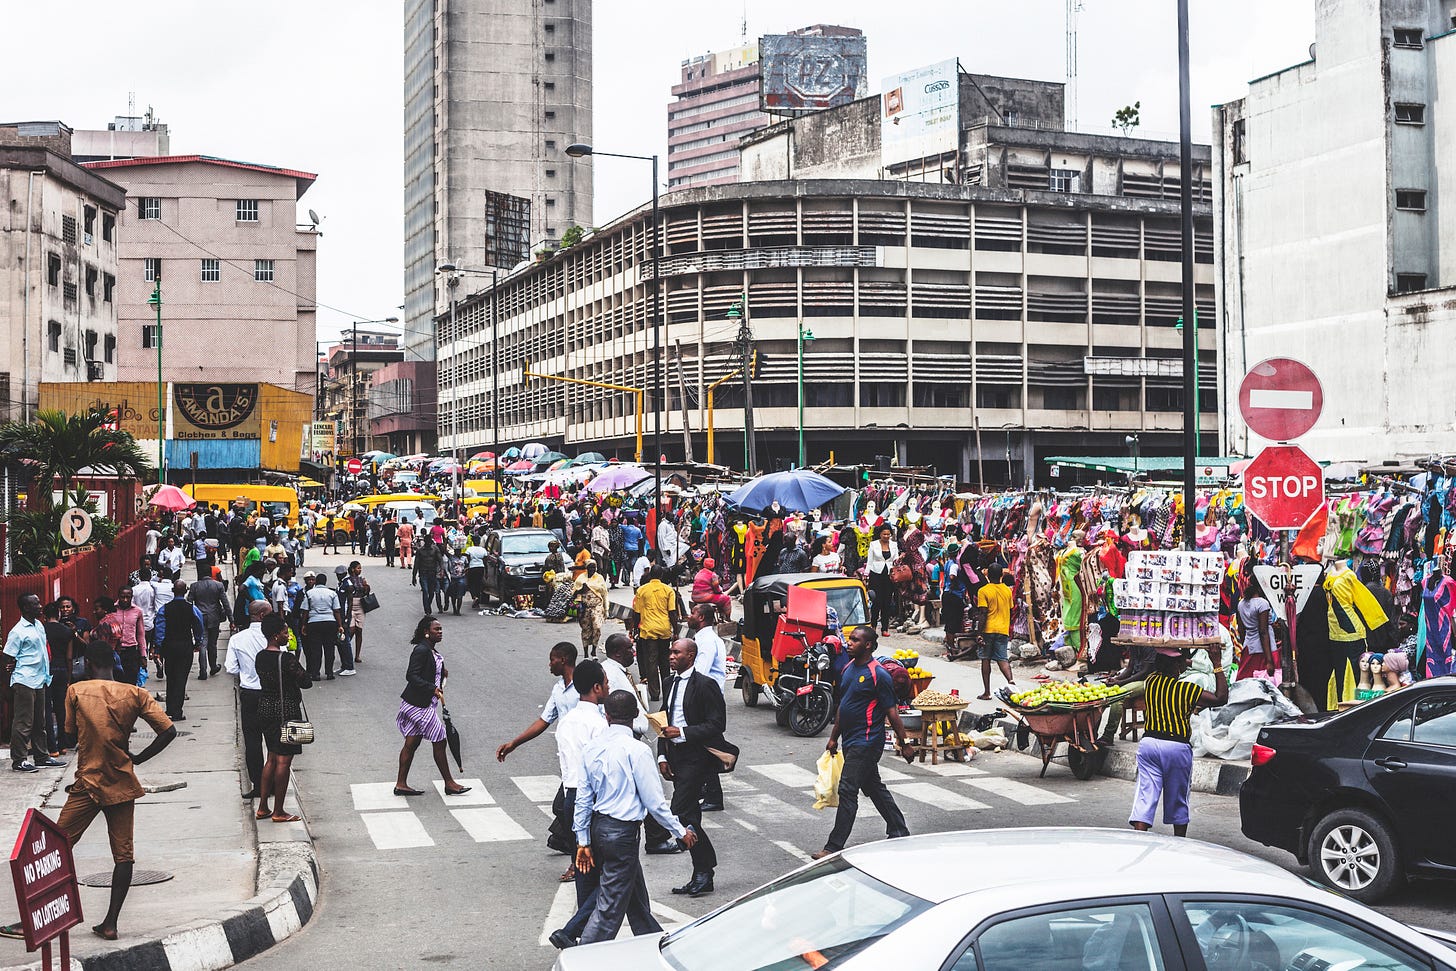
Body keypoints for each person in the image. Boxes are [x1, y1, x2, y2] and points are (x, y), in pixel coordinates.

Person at [0, 639, 175, 941]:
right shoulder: (135, 693)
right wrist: (138, 758)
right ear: (113, 661)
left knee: (53, 847)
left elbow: (68, 734)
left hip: (89, 783)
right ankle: (110, 923)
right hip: (121, 782)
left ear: (88, 663)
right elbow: (168, 731)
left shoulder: (76, 691)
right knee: (124, 856)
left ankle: (33, 920)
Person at [571, 690, 696, 946]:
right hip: (622, 834)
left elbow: (583, 798)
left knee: (635, 897)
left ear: (606, 715)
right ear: (636, 715)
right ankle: (584, 956)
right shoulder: (637, 751)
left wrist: (582, 840)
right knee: (609, 908)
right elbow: (654, 802)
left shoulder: (592, 749)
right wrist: (679, 830)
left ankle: (652, 942)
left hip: (598, 828)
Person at [814, 626, 913, 859]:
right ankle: (899, 828)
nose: (849, 643)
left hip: (868, 741)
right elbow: (843, 707)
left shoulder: (879, 674)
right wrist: (833, 737)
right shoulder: (848, 669)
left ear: (867, 645)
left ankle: (833, 846)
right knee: (872, 786)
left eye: (855, 640)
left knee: (848, 790)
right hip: (850, 739)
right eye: (850, 639)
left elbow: (892, 711)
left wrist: (905, 742)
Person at [657, 638, 732, 898]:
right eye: (670, 652)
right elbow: (662, 720)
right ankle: (701, 874)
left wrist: (684, 732)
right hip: (675, 756)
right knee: (690, 817)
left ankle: (705, 867)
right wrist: (662, 757)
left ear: (691, 655)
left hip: (697, 757)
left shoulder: (706, 685)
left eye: (676, 652)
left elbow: (717, 724)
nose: (671, 656)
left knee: (677, 813)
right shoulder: (669, 683)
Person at [1129, 645, 1228, 837]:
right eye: (1182, 661)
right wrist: (1217, 664)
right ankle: (1180, 842)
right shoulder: (1187, 690)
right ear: (1176, 666)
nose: (1186, 663)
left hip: (1149, 745)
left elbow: (1164, 667)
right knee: (1178, 799)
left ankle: (1138, 838)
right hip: (1176, 747)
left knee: (1145, 796)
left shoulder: (1151, 682)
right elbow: (1221, 698)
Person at [496, 643, 580, 854]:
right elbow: (544, 720)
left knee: (564, 807)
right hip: (568, 759)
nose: (549, 664)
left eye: (552, 659)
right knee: (567, 807)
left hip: (585, 758)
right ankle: (566, 841)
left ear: (564, 660)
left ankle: (577, 853)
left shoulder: (583, 686)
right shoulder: (559, 688)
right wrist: (514, 743)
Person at [550, 661, 610, 947]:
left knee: (584, 867)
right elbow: (598, 771)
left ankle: (585, 933)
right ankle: (572, 929)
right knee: (610, 876)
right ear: (597, 688)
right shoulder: (598, 724)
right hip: (590, 797)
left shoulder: (568, 721)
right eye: (606, 684)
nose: (608, 688)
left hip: (570, 796)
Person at [394, 616, 471, 797]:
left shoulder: (430, 650)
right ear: (426, 632)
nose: (440, 632)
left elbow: (429, 672)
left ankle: (401, 784)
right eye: (437, 629)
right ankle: (450, 783)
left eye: (441, 629)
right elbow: (411, 676)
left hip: (416, 704)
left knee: (411, 743)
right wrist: (432, 688)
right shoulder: (421, 650)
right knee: (440, 739)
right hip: (419, 706)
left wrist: (441, 674)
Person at [254, 614, 311, 824]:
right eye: (285, 632)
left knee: (271, 758)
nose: (288, 636)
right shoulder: (286, 658)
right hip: (286, 712)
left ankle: (263, 807)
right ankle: (278, 811)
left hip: (265, 709)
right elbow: (306, 681)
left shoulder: (260, 656)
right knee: (284, 762)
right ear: (276, 635)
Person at [5, 594, 63, 772]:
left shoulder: (39, 625)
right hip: (25, 681)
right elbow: (7, 657)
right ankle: (19, 760)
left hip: (40, 680)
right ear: (25, 608)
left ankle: (41, 756)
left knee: (40, 722)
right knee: (24, 723)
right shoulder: (18, 631)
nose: (40, 606)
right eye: (35, 604)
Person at [226, 600, 273, 799]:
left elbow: (231, 668)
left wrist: (247, 673)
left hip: (250, 694)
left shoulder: (238, 639)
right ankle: (273, 783)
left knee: (252, 741)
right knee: (273, 741)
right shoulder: (272, 637)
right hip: (271, 693)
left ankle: (258, 783)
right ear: (262, 615)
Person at [156, 580, 204, 721]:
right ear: (186, 591)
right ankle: (177, 711)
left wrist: (158, 647)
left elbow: (160, 630)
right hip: (185, 646)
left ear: (172, 590)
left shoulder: (164, 609)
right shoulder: (192, 609)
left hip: (169, 647)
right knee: (181, 678)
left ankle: (170, 708)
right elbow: (198, 625)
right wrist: (198, 641)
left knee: (170, 677)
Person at [630, 566, 680, 703]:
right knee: (664, 661)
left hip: (648, 631)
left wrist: (635, 629)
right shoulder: (669, 590)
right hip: (664, 630)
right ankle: (667, 691)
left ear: (650, 575)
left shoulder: (642, 590)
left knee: (650, 662)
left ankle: (655, 693)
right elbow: (672, 613)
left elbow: (637, 613)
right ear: (662, 575)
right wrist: (675, 631)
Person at [42, 601, 82, 755]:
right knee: (61, 708)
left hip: (47, 670)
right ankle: (62, 745)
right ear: (58, 614)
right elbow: (69, 657)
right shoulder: (67, 632)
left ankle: (52, 748)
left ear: (44, 616)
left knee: (47, 707)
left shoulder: (42, 630)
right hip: (62, 670)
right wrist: (68, 677)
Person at [975, 564, 1016, 701]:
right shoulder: (1007, 591)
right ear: (1001, 576)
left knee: (985, 659)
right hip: (1003, 629)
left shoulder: (983, 591)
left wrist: (979, 633)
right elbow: (1010, 609)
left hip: (988, 629)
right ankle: (1011, 683)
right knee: (1002, 658)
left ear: (987, 575)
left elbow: (983, 613)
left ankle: (987, 692)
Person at [300, 572, 347, 681]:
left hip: (314, 623)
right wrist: (340, 625)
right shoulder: (332, 593)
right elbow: (336, 611)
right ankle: (329, 673)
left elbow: (305, 611)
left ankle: (316, 674)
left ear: (316, 581)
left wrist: (304, 625)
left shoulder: (309, 593)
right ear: (325, 582)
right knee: (329, 648)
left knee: (316, 650)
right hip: (330, 623)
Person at [1236, 572, 1279, 681]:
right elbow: (1263, 631)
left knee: (1247, 681)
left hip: (1249, 647)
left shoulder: (1241, 603)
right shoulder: (1262, 603)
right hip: (1264, 649)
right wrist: (1269, 660)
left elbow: (1241, 629)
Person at [188, 569, 228, 680]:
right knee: (213, 644)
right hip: (214, 617)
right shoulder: (218, 585)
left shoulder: (194, 586)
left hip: (200, 618)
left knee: (202, 644)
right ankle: (213, 666)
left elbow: (189, 603)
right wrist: (232, 620)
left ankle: (203, 671)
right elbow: (225, 603)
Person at [105, 586, 147, 688]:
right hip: (115, 652)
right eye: (122, 597)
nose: (125, 600)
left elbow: (140, 634)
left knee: (131, 683)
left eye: (128, 597)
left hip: (131, 651)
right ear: (118, 596)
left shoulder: (137, 612)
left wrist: (143, 655)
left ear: (132, 597)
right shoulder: (112, 610)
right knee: (116, 682)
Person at [866, 526, 899, 635]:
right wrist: (866, 573)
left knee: (887, 601)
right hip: (876, 574)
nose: (886, 536)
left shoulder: (894, 545)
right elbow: (869, 561)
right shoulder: (873, 544)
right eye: (884, 534)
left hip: (889, 575)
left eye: (888, 534)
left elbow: (896, 559)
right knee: (876, 601)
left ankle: (885, 628)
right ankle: (873, 625)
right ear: (880, 534)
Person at [573, 560, 609, 658]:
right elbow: (575, 592)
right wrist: (581, 589)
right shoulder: (581, 578)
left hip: (596, 606)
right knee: (586, 630)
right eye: (590, 567)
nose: (592, 569)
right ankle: (585, 653)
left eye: (594, 567)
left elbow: (604, 593)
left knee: (597, 627)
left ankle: (594, 650)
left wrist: (606, 609)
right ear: (587, 568)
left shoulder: (599, 578)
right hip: (585, 608)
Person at [339, 561, 368, 670]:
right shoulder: (347, 581)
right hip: (351, 605)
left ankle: (357, 655)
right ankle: (346, 649)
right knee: (351, 630)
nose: (359, 570)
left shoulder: (362, 580)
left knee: (359, 630)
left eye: (360, 568)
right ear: (352, 569)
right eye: (358, 568)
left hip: (361, 605)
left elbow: (366, 593)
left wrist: (366, 586)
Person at [690, 558, 732, 623]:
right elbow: (717, 589)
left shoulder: (699, 572)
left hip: (694, 597)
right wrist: (721, 591)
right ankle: (727, 618)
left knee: (720, 598)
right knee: (726, 599)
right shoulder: (712, 575)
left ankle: (720, 617)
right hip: (705, 597)